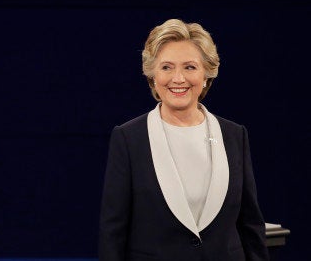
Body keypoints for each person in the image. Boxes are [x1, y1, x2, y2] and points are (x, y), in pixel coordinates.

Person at [98, 18, 269, 260]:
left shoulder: (234, 135)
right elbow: (112, 233)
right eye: (167, 67)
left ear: (207, 74)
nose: (178, 79)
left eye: (190, 67)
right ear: (152, 75)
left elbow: (250, 225)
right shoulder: (128, 138)